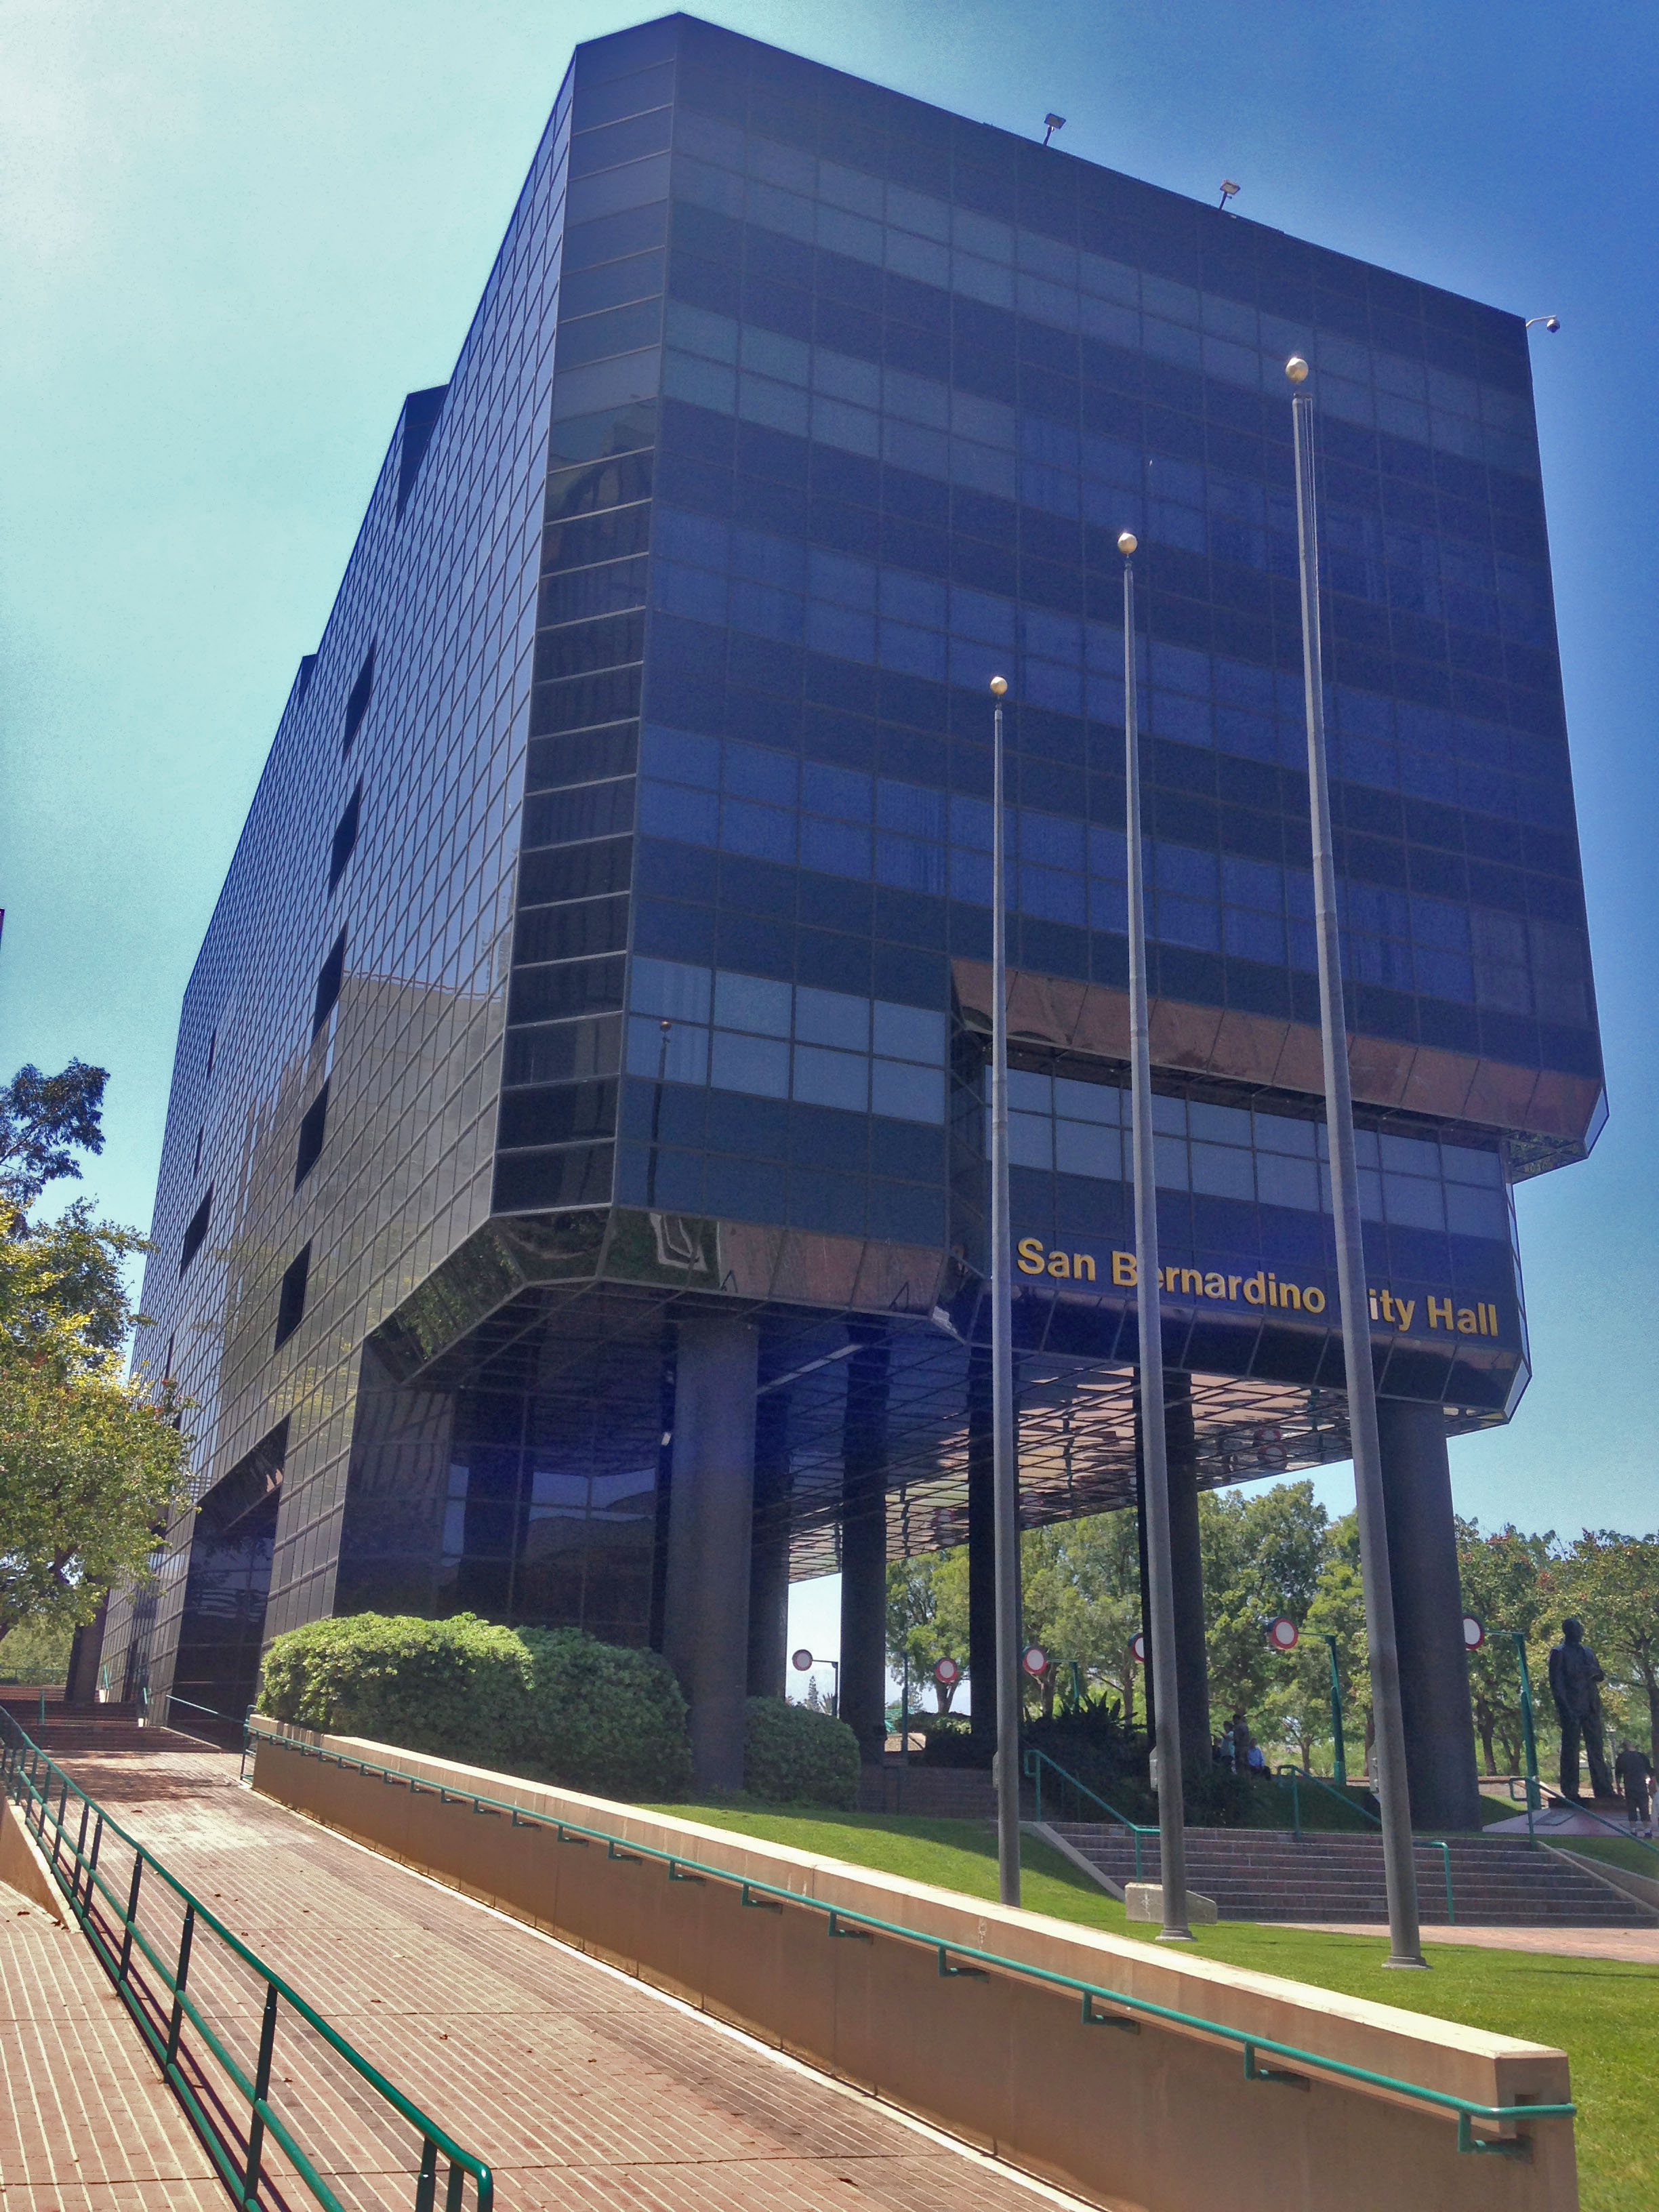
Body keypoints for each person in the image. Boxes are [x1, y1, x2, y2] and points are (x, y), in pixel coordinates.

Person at [1548, 1617, 1614, 1803]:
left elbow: (1600, 1675)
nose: (1581, 1632)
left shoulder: (1588, 1652)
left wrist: (1594, 1671)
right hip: (1572, 1707)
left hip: (1591, 1706)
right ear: (1568, 1631)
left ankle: (1603, 1788)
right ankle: (1570, 1791)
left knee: (1596, 1749)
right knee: (1571, 1751)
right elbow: (1556, 1684)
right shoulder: (1558, 1653)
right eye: (1578, 1629)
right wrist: (1565, 1708)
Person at [1614, 1742, 1654, 1837]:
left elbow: (1618, 1773)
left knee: (1631, 1809)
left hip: (1629, 1787)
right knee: (1644, 1809)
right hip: (1641, 1786)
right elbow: (1650, 1771)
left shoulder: (1622, 1757)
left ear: (1624, 1748)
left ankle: (1633, 1830)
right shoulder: (1642, 1756)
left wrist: (1618, 1786)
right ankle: (1647, 1831)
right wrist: (1653, 1785)